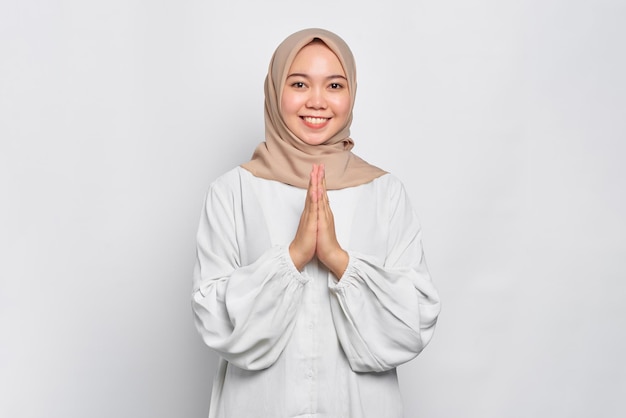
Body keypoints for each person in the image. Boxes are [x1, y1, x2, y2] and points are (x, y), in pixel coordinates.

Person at [192, 28, 440, 418]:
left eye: (335, 85)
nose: (317, 101)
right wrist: (292, 258)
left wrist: (339, 260)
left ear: (352, 92)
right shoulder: (232, 191)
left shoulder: (385, 192)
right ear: (276, 91)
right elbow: (215, 321)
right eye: (299, 83)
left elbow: (413, 323)